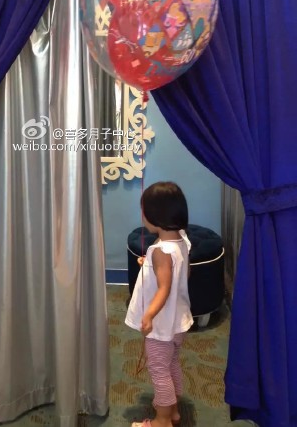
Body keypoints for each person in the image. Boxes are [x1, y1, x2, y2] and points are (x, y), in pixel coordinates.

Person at [125, 181, 193, 427]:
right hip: (178, 321)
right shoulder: (181, 241)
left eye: (143, 210)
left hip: (161, 326)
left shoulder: (161, 251)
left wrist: (148, 316)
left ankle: (161, 421)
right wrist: (150, 264)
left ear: (156, 215)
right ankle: (173, 412)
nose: (142, 216)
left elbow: (164, 288)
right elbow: (181, 274)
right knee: (172, 364)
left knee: (158, 370)